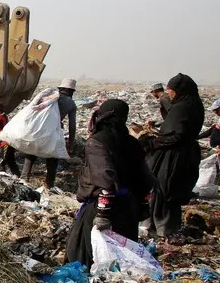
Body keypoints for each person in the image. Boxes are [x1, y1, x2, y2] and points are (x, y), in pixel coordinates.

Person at [65, 100, 155, 267]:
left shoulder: (97, 142)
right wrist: (142, 206)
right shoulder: (132, 142)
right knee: (123, 256)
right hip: (129, 208)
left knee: (86, 253)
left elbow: (105, 180)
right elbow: (145, 178)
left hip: (104, 208)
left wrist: (102, 214)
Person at [147, 73, 204, 239]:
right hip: (185, 154)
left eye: (170, 90)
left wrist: (152, 143)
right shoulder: (193, 105)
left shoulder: (182, 108)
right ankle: (167, 227)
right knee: (172, 190)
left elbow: (176, 135)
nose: (169, 94)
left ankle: (162, 228)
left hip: (173, 157)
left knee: (164, 189)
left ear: (179, 90)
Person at [23, 77, 77, 189]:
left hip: (39, 130)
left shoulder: (50, 97)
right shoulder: (71, 104)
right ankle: (49, 185)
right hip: (53, 132)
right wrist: (70, 143)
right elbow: (72, 125)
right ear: (71, 91)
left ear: (61, 88)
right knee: (52, 158)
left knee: (31, 155)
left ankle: (23, 179)